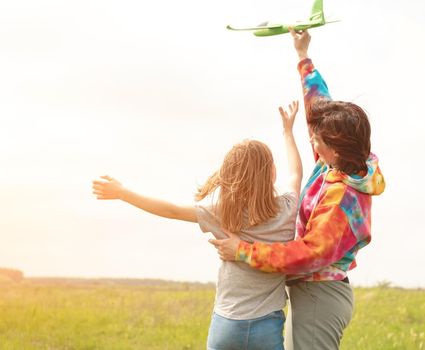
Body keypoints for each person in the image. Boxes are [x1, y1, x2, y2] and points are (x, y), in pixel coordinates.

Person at [209, 29, 386, 350]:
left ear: (336, 146)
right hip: (313, 294)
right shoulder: (336, 162)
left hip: (321, 297)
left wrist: (243, 250)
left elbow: (309, 254)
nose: (311, 141)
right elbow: (319, 104)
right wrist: (303, 56)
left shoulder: (344, 198)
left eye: (317, 140)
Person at [92, 101, 302, 350]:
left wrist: (123, 193)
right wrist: (288, 132)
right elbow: (296, 173)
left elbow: (170, 210)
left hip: (227, 324)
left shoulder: (224, 213)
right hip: (267, 325)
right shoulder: (288, 209)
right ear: (272, 174)